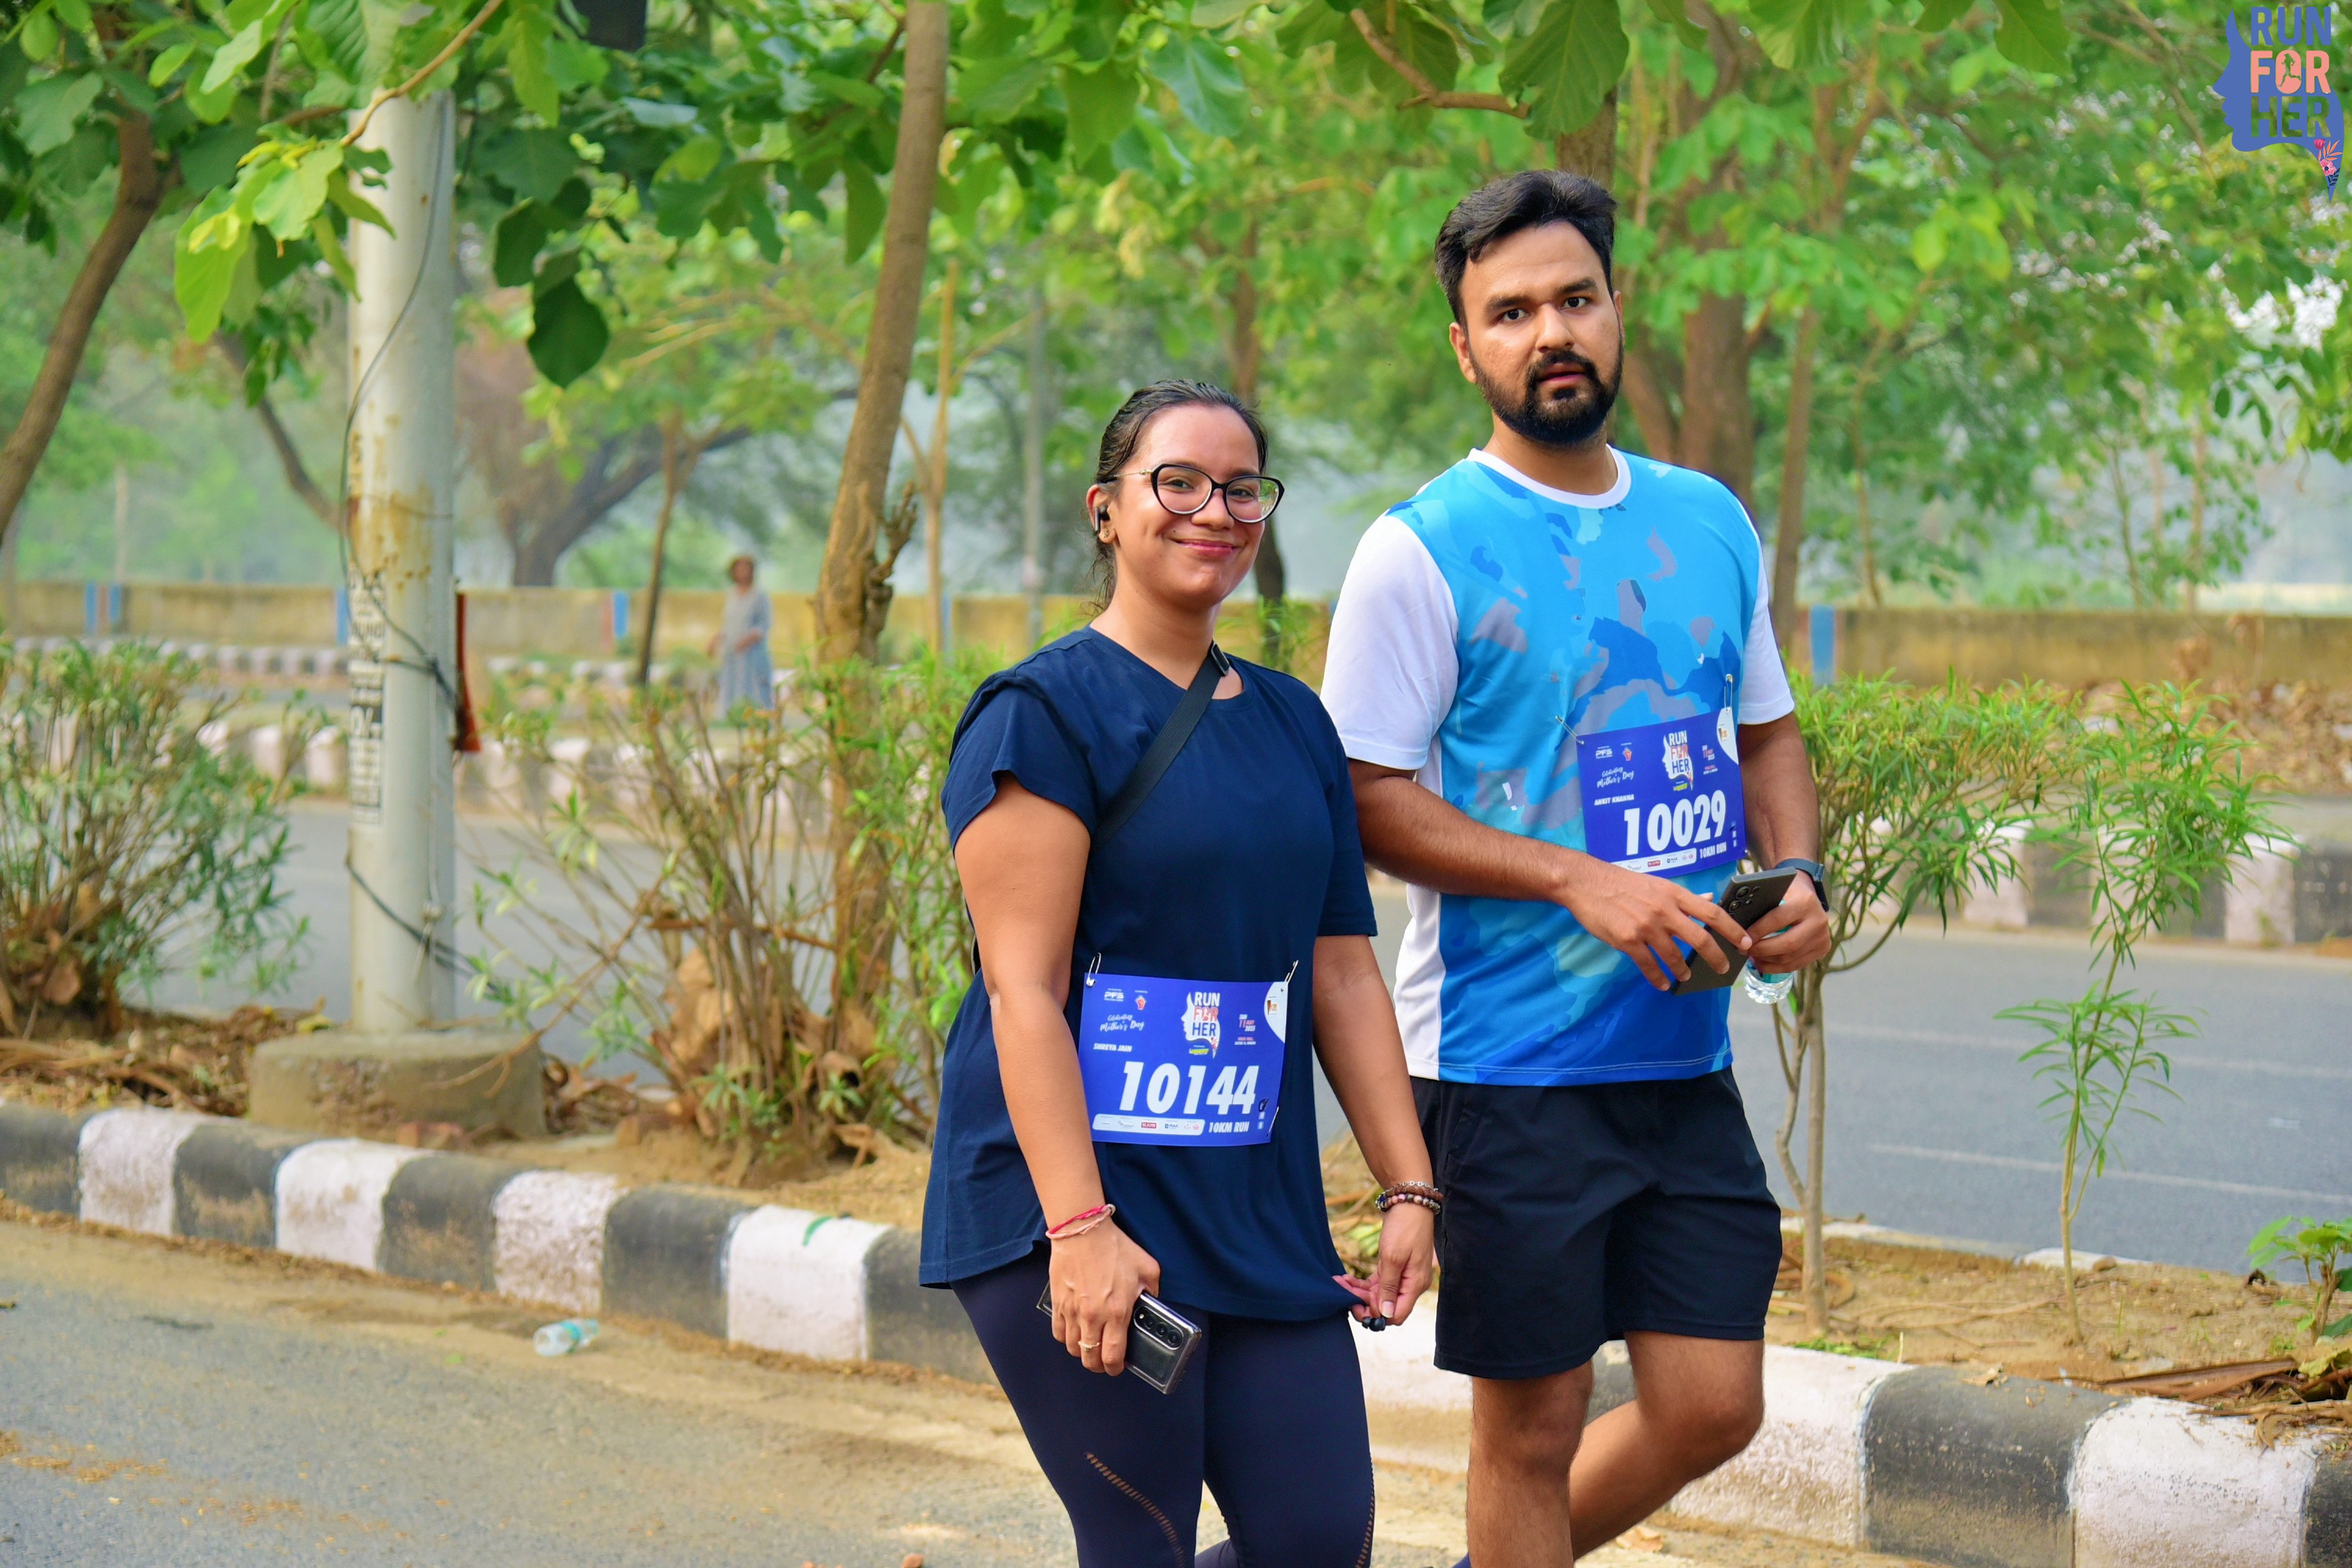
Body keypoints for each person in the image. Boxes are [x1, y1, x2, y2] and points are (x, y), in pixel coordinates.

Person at [1319, 172, 1835, 1567]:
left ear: (1617, 310)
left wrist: (1795, 871)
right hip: (1506, 1067)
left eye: (1573, 298)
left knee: (1711, 1404)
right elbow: (1364, 800)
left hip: (1679, 1055)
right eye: (1508, 313)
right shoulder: (1418, 549)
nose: (1548, 331)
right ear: (1464, 348)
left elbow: (1767, 731)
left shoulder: (1707, 519)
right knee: (1531, 1434)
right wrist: (1575, 882)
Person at [922, 380, 1439, 1567]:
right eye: (1179, 482)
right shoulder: (1039, 715)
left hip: (1253, 1206)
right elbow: (1021, 992)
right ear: (1105, 509)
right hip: (1076, 1198)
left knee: (1316, 1540)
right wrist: (1079, 1226)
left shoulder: (1294, 722)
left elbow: (1341, 974)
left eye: (1241, 488)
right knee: (1139, 1535)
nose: (1214, 509)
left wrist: (1408, 1187)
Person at [709, 553, 772, 711]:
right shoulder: (731, 594)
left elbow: (764, 625)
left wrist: (747, 640)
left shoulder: (759, 596)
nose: (742, 572)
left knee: (753, 689)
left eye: (746, 569)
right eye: (739, 569)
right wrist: (716, 640)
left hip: (752, 653)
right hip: (732, 652)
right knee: (730, 688)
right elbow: (729, 624)